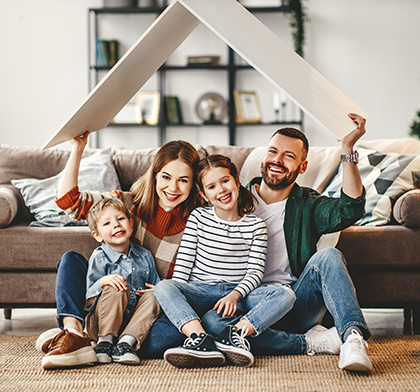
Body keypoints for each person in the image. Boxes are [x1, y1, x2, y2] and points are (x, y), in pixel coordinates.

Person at [201, 113, 374, 373]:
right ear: (263, 157)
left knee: (328, 257)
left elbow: (350, 209)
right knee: (213, 324)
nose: (277, 161)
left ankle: (351, 338)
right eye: (272, 152)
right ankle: (311, 342)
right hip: (247, 304)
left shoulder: (308, 203)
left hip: (294, 303)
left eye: (289, 156)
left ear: (302, 167)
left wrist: (347, 149)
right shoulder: (233, 198)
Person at [37, 133, 202, 369]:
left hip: (149, 311)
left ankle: (113, 342)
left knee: (166, 340)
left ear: (193, 183)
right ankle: (73, 333)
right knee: (71, 259)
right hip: (108, 305)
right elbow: (68, 202)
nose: (173, 188)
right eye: (166, 177)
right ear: (154, 175)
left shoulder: (198, 222)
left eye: (183, 180)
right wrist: (78, 148)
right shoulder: (125, 205)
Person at [154, 154, 296, 369]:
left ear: (237, 181)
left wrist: (234, 295)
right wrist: (178, 294)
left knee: (285, 294)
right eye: (211, 186)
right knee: (164, 287)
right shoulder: (198, 217)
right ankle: (201, 339)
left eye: (225, 181)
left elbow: (255, 273)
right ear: (203, 194)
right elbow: (183, 265)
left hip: (238, 296)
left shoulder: (256, 226)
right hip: (201, 291)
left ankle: (236, 333)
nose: (220, 190)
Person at [82, 197, 161, 366]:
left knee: (157, 293)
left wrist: (153, 292)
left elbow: (156, 284)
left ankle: (126, 344)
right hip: (101, 322)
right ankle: (105, 343)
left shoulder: (145, 256)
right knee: (116, 285)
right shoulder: (99, 258)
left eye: (120, 219)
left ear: (131, 224)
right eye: (107, 223)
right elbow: (87, 302)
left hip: (132, 322)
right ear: (97, 235)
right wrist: (103, 281)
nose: (116, 225)